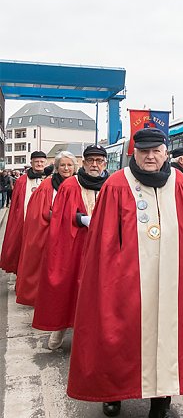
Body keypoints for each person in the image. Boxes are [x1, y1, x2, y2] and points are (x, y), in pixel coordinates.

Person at [66, 128, 183, 418]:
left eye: (156, 150)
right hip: (126, 280)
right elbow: (103, 242)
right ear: (135, 153)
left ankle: (161, 406)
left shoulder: (181, 185)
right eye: (144, 151)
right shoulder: (117, 184)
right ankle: (113, 394)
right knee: (119, 335)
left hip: (172, 280)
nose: (150, 156)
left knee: (168, 339)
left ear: (166, 152)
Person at [32, 145, 109, 350]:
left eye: (99, 160)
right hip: (75, 244)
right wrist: (80, 218)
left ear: (105, 163)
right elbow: (58, 215)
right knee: (69, 287)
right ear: (83, 163)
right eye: (90, 160)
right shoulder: (70, 185)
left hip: (104, 247)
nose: (95, 164)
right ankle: (59, 328)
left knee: (100, 292)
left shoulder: (112, 184)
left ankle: (95, 335)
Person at [15, 152, 77, 307]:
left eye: (69, 165)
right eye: (62, 165)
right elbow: (39, 213)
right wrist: (59, 218)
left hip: (74, 235)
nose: (66, 168)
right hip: (51, 234)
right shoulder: (47, 185)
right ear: (56, 167)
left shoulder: (79, 183)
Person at [0, 151, 47, 274]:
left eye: (42, 161)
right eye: (36, 161)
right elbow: (16, 203)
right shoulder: (21, 181)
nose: (39, 164)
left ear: (45, 163)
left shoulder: (50, 179)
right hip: (25, 222)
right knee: (22, 251)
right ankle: (21, 276)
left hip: (44, 224)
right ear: (31, 163)